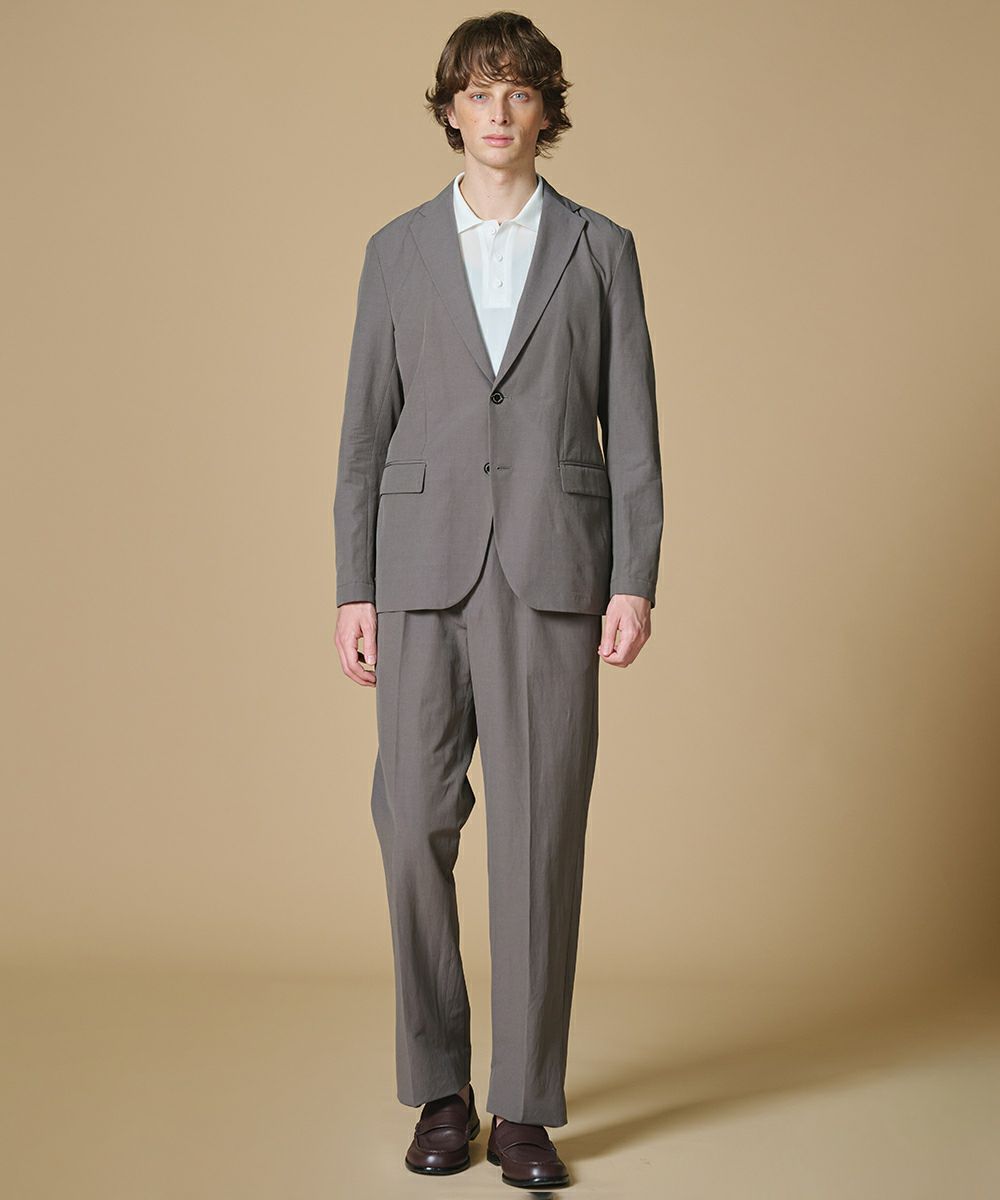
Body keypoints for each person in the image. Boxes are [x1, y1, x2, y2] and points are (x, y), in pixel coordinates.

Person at [333, 10, 662, 1189]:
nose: (497, 112)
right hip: (417, 569)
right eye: (478, 92)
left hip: (551, 568)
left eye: (518, 92)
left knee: (537, 836)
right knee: (412, 821)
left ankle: (521, 1107)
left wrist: (633, 575)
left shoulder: (600, 249)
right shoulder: (394, 251)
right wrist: (352, 586)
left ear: (543, 112)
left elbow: (632, 431)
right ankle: (441, 1087)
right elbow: (363, 433)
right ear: (449, 109)